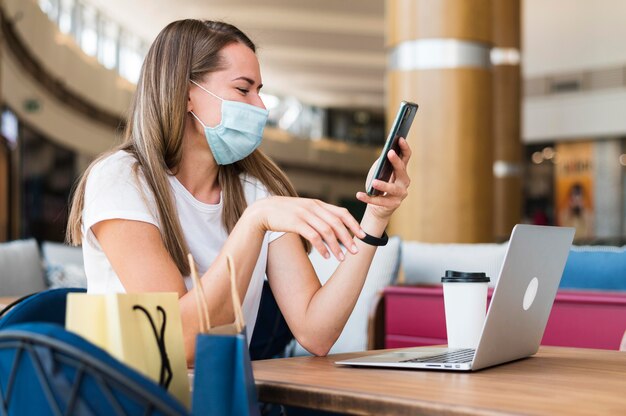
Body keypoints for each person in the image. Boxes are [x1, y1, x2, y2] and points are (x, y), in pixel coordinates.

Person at [66, 19, 411, 363]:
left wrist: (375, 217)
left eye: (259, 91)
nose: (261, 107)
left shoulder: (256, 190)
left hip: (221, 399)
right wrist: (254, 222)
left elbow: (316, 332)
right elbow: (176, 341)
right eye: (244, 89)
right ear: (186, 94)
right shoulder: (121, 180)